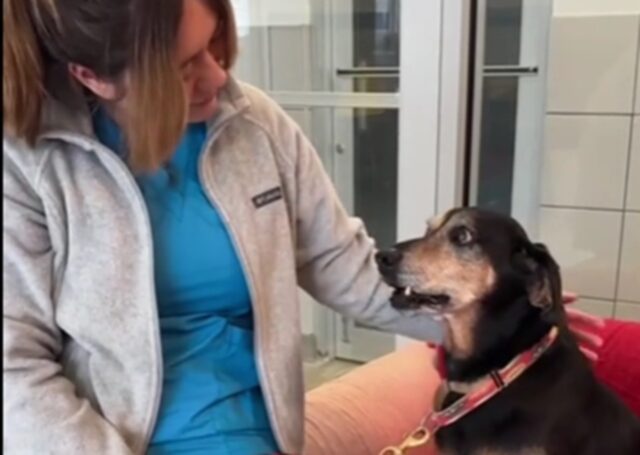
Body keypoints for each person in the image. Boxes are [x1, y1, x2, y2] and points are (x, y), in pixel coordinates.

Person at [2, 1, 603, 454]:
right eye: (184, 69)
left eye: (217, 45)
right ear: (92, 76)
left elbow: (345, 268)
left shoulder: (254, 126)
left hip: (256, 434)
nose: (218, 79)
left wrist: (504, 316)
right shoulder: (28, 164)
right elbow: (15, 371)